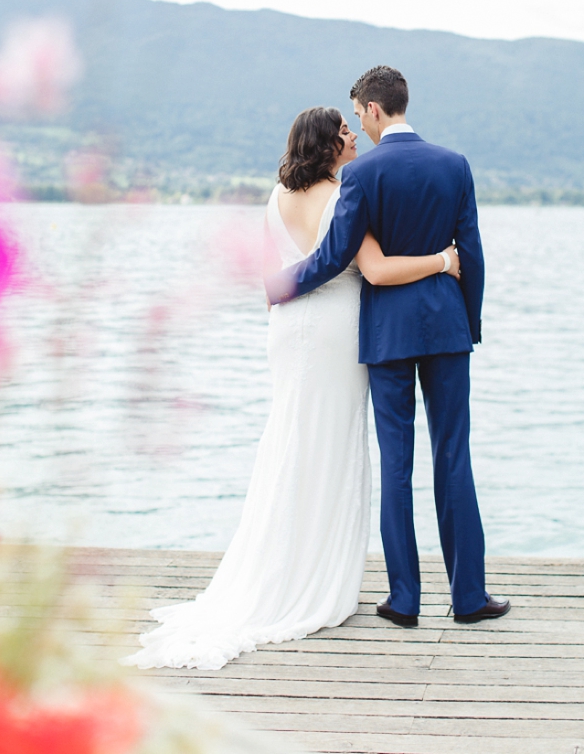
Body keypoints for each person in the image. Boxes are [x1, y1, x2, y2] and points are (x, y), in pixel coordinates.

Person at [123, 105, 461, 670]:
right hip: (333, 332)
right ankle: (313, 581)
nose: (354, 137)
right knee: (328, 447)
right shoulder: (346, 194)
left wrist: (284, 290)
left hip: (287, 331)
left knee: (290, 442)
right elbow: (374, 269)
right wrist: (443, 260)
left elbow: (270, 276)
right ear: (329, 146)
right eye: (345, 132)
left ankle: (281, 567)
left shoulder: (276, 198)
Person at [266, 66, 510, 627]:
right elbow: (470, 253)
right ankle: (469, 597)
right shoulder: (455, 164)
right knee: (454, 457)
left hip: (388, 335)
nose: (357, 125)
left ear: (373, 110)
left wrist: (280, 286)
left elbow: (332, 258)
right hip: (447, 329)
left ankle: (405, 600)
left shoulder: (363, 174)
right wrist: (467, 321)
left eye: (357, 115)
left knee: (396, 464)